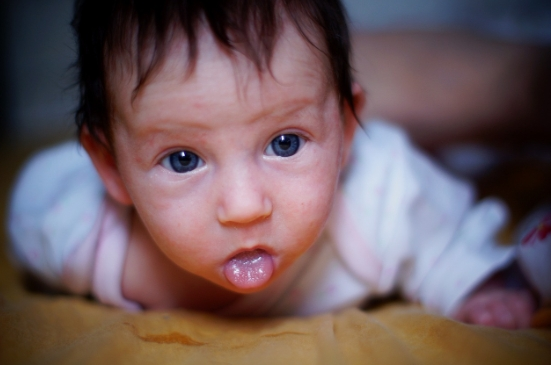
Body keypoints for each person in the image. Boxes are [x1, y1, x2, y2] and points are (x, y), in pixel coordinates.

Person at [7, 0, 549, 329]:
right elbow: (30, 209)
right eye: (183, 158)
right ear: (112, 172)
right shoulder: (78, 231)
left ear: (344, 133)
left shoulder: (379, 194)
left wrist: (476, 287)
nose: (244, 207)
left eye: (285, 143)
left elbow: (442, 239)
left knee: (468, 156)